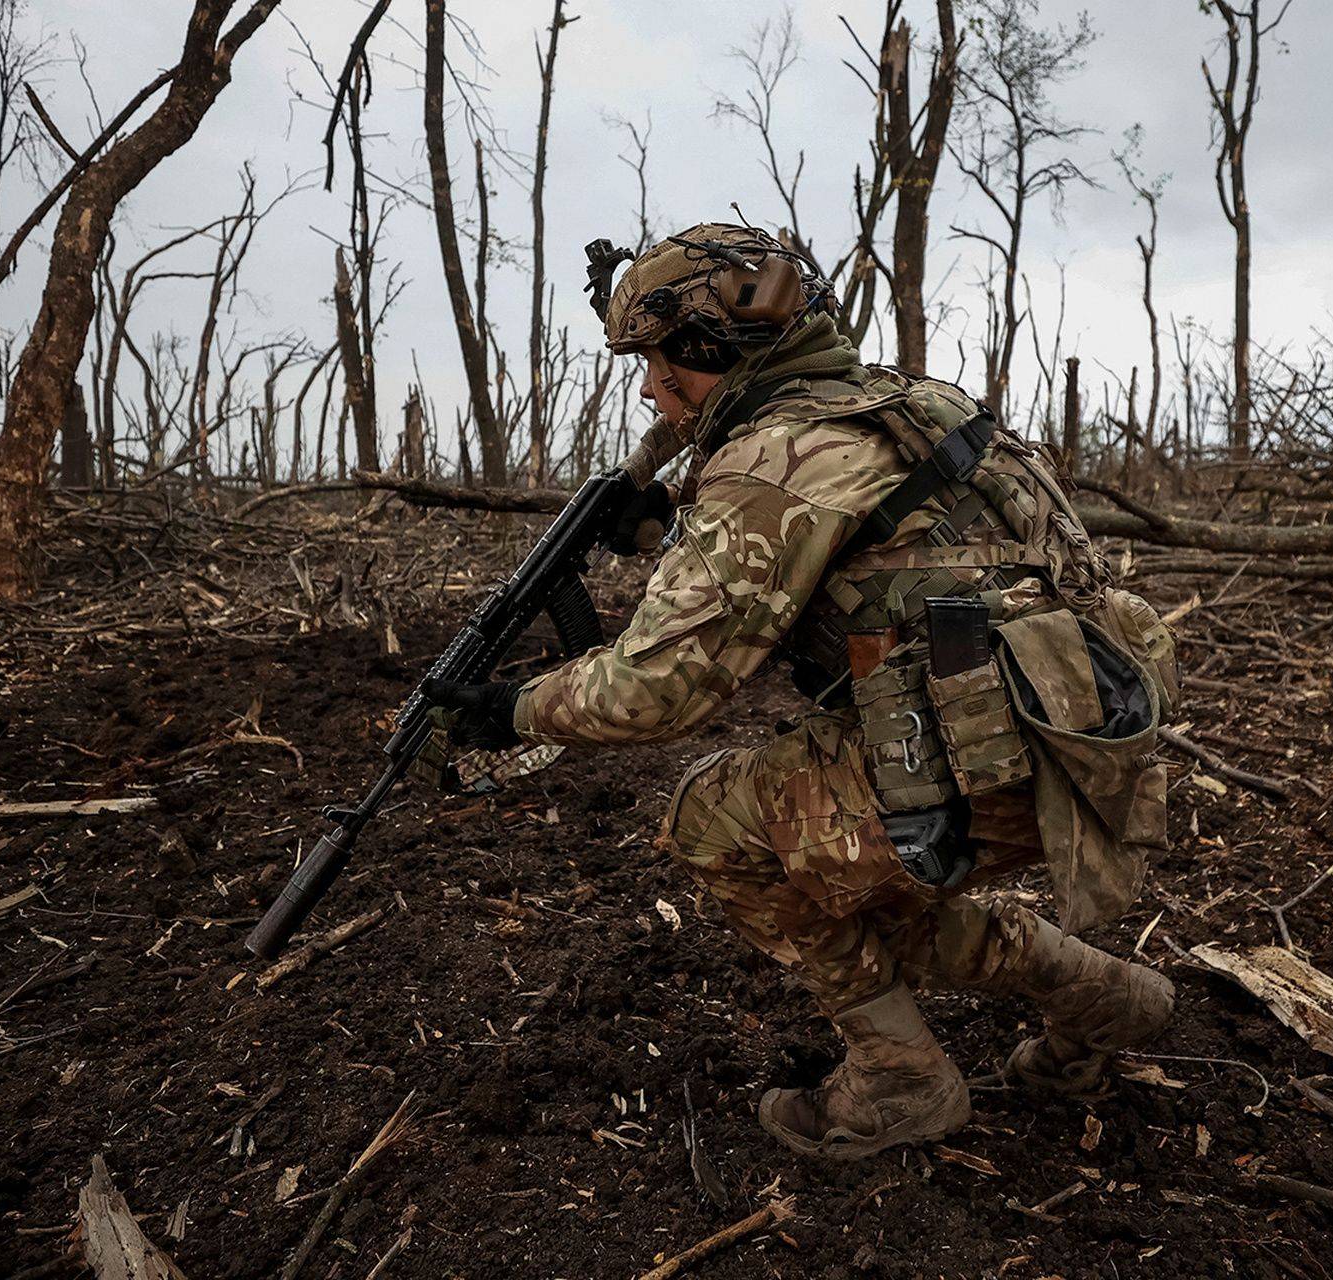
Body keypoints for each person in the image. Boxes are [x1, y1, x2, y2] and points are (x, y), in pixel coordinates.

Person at [428, 223, 1178, 1160]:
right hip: (1089, 747)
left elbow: (659, 691)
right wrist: (671, 521)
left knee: (714, 818)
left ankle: (899, 1078)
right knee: (850, 889)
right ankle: (1102, 1000)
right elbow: (875, 559)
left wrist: (513, 709)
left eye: (662, 364)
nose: (651, 389)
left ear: (714, 352)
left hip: (978, 768)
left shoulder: (771, 461)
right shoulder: (913, 403)